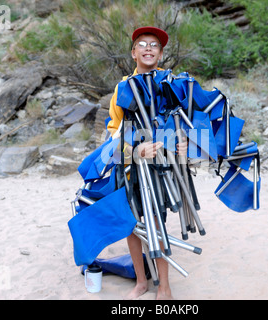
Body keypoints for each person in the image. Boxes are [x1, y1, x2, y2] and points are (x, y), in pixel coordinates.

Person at [107, 26, 187, 300]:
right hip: (130, 166)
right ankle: (141, 281)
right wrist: (135, 149)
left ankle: (164, 286)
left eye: (154, 45)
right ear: (133, 53)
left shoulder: (170, 86)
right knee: (131, 223)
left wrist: (185, 142)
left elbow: (185, 123)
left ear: (161, 53)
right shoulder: (121, 89)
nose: (149, 48)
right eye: (142, 44)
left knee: (156, 222)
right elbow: (112, 133)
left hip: (160, 167)